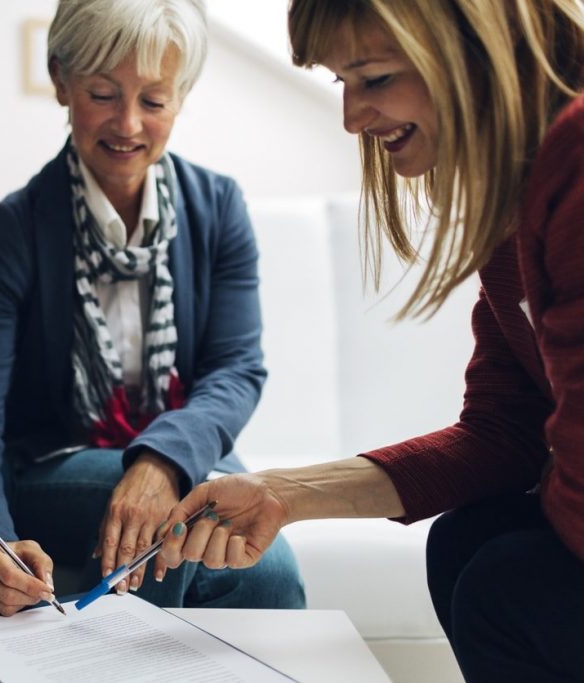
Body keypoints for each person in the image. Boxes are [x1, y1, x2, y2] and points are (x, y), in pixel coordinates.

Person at [160, 1, 584, 680]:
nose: (353, 118)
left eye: (376, 78)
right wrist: (283, 493)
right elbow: (505, 433)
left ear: (471, 47)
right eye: (342, 83)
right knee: (467, 539)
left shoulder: (576, 155)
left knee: (502, 583)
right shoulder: (514, 203)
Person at [0, 0, 305, 616]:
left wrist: (161, 459)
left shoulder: (219, 208)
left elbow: (236, 370)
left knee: (268, 574)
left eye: (154, 101)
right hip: (55, 464)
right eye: (103, 94)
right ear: (61, 81)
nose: (128, 124)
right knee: (176, 523)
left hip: (183, 457)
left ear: (181, 97)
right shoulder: (12, 229)